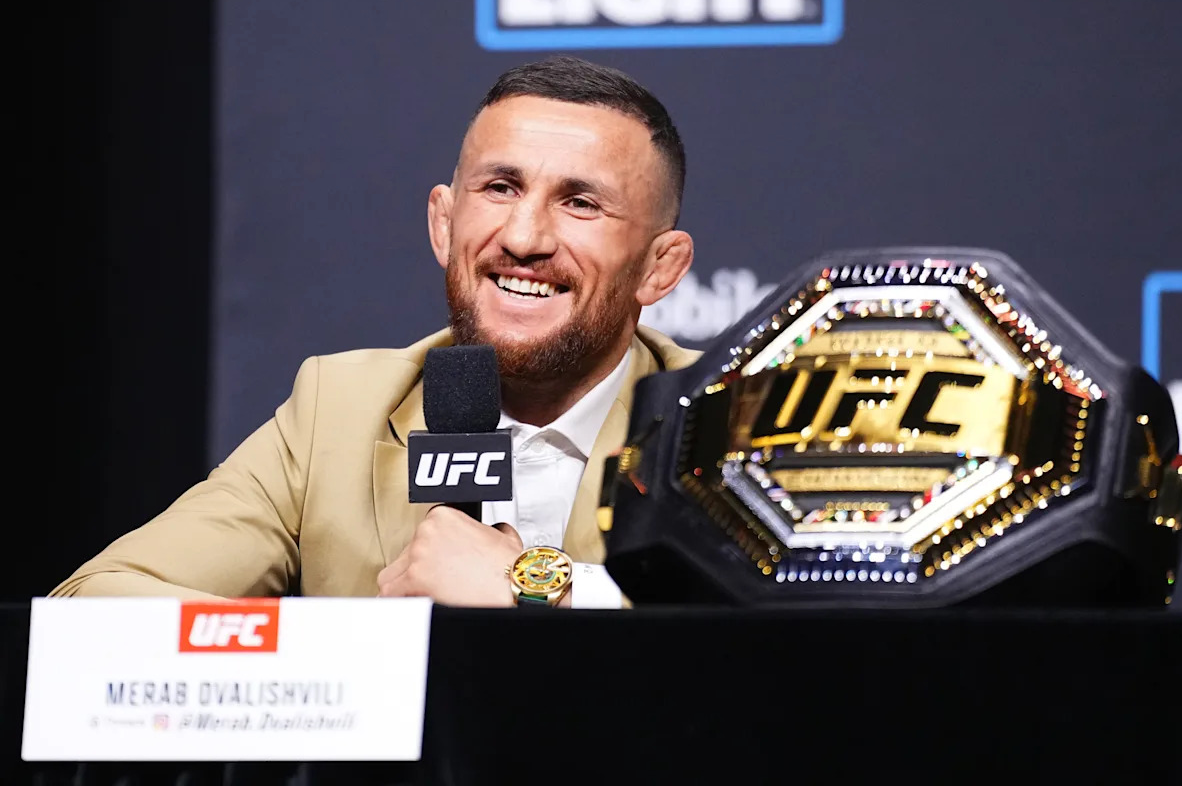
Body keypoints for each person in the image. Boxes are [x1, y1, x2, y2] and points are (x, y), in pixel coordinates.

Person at [51, 56, 699, 608]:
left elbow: (762, 642)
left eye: (580, 203)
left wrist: (535, 588)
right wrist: (369, 652)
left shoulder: (718, 422)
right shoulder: (338, 411)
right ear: (443, 224)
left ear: (660, 267)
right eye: (501, 188)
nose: (524, 238)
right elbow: (92, 604)